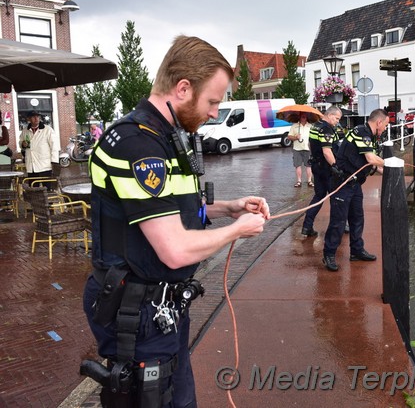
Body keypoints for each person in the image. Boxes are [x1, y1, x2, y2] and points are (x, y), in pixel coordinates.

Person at [81, 35, 269, 407]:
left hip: (160, 309)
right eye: (213, 101)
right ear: (183, 88)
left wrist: (227, 208)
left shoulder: (167, 138)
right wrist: (237, 231)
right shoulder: (137, 145)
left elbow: (166, 211)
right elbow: (173, 249)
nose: (215, 112)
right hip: (137, 312)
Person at [322, 108, 388, 271]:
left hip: (354, 183)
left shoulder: (369, 136)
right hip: (342, 183)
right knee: (338, 222)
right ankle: (329, 254)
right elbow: (371, 158)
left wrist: (389, 171)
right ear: (379, 122)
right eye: (385, 125)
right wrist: (391, 164)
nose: (385, 128)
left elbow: (371, 163)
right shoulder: (362, 132)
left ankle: (356, 250)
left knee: (357, 218)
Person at [300, 106, 342, 237]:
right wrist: (336, 167)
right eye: (336, 118)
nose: (337, 122)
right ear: (330, 115)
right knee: (336, 197)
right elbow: (327, 151)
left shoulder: (315, 126)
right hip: (327, 169)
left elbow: (309, 145)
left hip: (316, 167)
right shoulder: (326, 129)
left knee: (318, 197)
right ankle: (337, 228)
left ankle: (307, 226)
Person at [19, 110, 58, 178]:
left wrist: (54, 162)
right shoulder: (25, 131)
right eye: (33, 117)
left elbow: (54, 146)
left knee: (47, 187)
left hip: (45, 165)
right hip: (31, 166)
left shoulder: (48, 130)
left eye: (37, 116)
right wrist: (22, 144)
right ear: (28, 119)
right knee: (33, 186)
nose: (36, 118)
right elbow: (21, 143)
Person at [287, 113, 313, 187]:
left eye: (305, 115)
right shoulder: (294, 126)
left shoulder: (310, 126)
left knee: (309, 165)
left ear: (307, 117)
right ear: (299, 117)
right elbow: (289, 136)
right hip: (297, 149)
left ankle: (309, 181)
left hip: (308, 148)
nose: (303, 117)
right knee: (297, 165)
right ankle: (299, 181)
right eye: (302, 115)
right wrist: (295, 137)